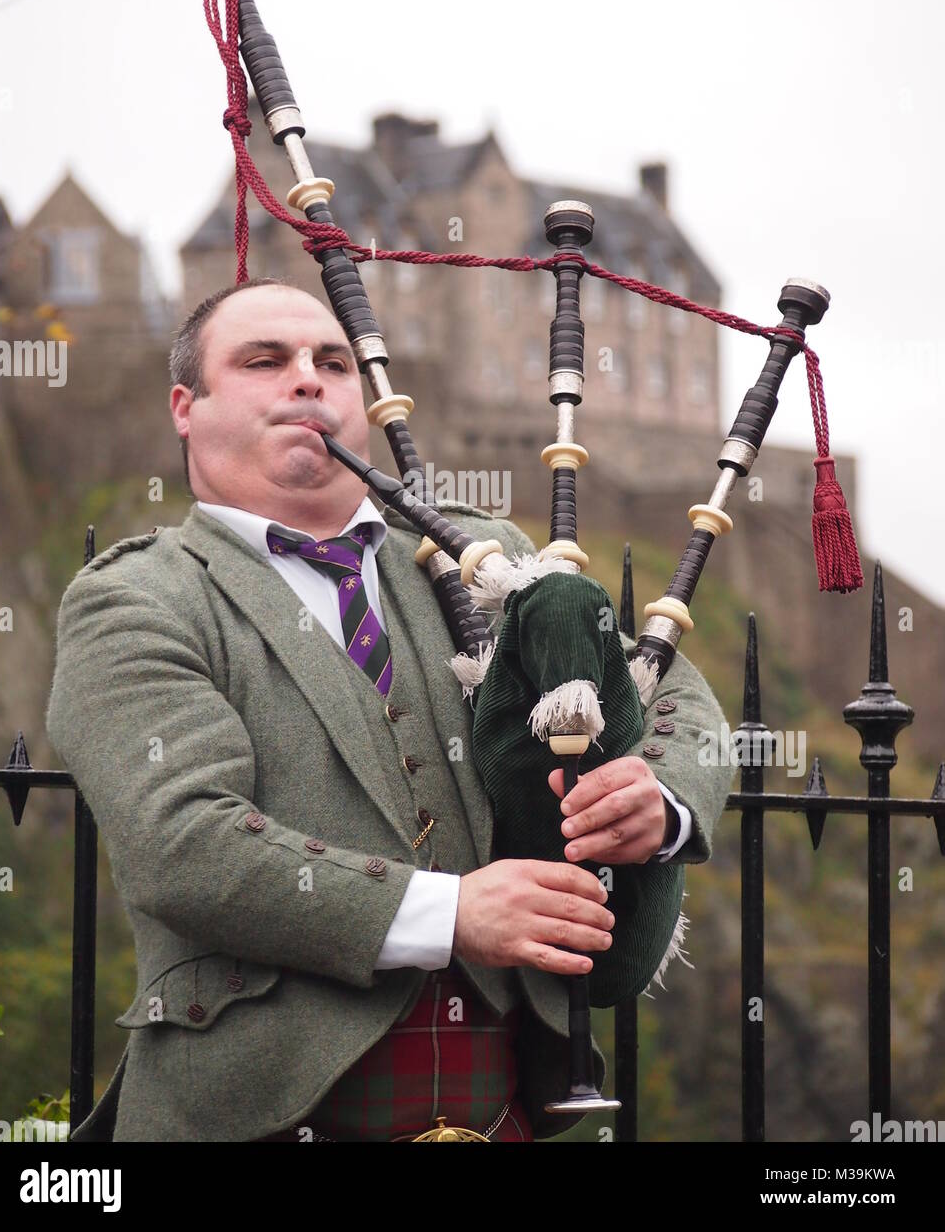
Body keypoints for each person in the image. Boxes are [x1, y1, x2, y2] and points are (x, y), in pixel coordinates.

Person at [47, 278, 733, 1143]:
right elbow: (181, 844)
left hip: (506, 1106)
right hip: (254, 1112)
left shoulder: (485, 556)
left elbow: (671, 690)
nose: (309, 380)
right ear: (186, 407)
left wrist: (658, 801)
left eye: (333, 363)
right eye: (264, 361)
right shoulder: (139, 599)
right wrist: (451, 914)